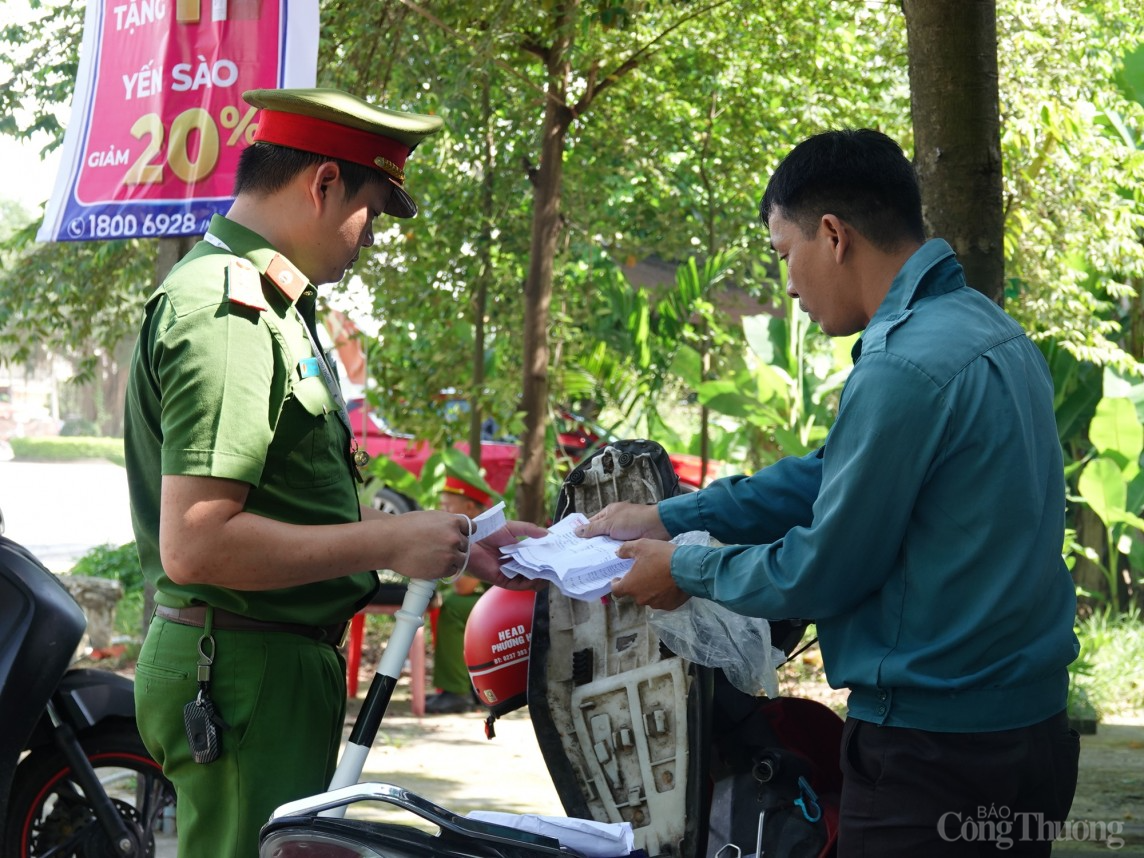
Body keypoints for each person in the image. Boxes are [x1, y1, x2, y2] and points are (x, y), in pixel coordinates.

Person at [579, 129, 1080, 857]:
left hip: (935, 756)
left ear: (834, 236)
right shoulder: (990, 331)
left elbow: (820, 569)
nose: (787, 284)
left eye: (785, 255)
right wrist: (665, 513)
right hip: (1029, 737)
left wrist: (681, 569)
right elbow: (824, 476)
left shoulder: (903, 367)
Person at [123, 87, 543, 858]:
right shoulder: (230, 315)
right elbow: (198, 546)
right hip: (244, 671)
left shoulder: (273, 306)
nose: (370, 239)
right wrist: (387, 545)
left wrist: (458, 541)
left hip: (265, 664)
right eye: (373, 212)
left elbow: (292, 503)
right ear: (322, 184)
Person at [425, 474, 493, 714]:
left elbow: (463, 587)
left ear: (469, 508)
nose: (443, 511)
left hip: (502, 607)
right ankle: (468, 689)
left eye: (448, 506)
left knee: (453, 606)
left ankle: (456, 692)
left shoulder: (482, 530)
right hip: (491, 602)